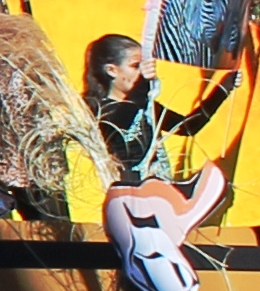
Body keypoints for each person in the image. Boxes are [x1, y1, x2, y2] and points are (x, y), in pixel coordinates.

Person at [81, 35, 237, 190]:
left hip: (160, 191)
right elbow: (122, 119)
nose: (141, 71)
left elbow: (188, 127)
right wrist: (143, 83)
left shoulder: (143, 105)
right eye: (135, 66)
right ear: (112, 70)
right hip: (130, 195)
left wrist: (222, 89)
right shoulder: (99, 111)